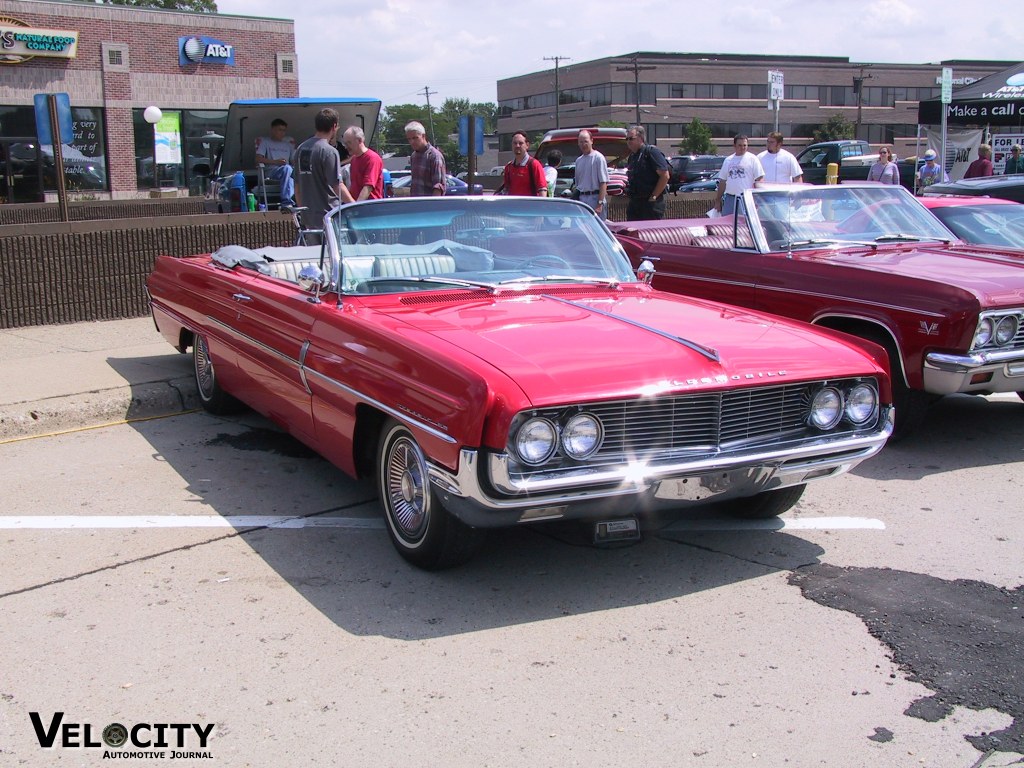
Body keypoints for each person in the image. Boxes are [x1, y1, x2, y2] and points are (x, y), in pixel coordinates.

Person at [292, 108, 353, 231]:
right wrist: (354, 205)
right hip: (329, 217)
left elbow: (297, 186)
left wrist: (303, 212)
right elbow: (337, 185)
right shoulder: (329, 151)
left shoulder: (300, 149)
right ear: (334, 126)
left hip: (308, 218)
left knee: (314, 250)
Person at [624, 124, 670, 220]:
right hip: (635, 203)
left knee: (650, 234)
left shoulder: (652, 152)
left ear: (640, 139)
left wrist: (653, 196)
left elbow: (665, 176)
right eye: (627, 139)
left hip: (651, 204)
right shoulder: (632, 157)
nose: (628, 142)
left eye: (631, 138)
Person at [715, 134, 765, 215]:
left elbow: (760, 179)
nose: (742, 148)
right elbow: (723, 182)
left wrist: (757, 199)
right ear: (734, 145)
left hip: (745, 199)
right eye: (740, 145)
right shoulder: (728, 160)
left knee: (743, 225)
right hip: (729, 198)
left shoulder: (753, 159)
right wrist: (717, 201)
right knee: (727, 225)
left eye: (744, 145)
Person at [255, 118, 296, 206]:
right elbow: (258, 159)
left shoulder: (288, 145)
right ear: (273, 130)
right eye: (279, 130)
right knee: (287, 169)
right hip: (272, 172)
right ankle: (287, 201)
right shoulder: (265, 142)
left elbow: (293, 161)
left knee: (292, 170)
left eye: (284, 130)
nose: (282, 133)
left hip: (287, 171)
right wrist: (275, 162)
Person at [342, 125, 384, 200]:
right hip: (358, 207)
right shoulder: (354, 160)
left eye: (349, 143)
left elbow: (368, 187)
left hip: (370, 207)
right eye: (345, 143)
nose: (346, 146)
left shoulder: (372, 158)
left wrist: (357, 207)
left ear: (360, 140)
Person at [574, 129, 609, 219]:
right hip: (582, 199)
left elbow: (603, 182)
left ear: (592, 141)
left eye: (585, 141)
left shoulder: (598, 158)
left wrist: (600, 203)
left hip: (595, 198)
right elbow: (578, 185)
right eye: (581, 142)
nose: (583, 144)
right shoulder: (578, 161)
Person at [405, 121, 447, 196]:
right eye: (409, 139)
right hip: (415, 204)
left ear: (423, 136)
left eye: (415, 138)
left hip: (428, 204)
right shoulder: (413, 156)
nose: (412, 142)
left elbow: (438, 186)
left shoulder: (434, 156)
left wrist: (433, 205)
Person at [502, 131, 547, 196]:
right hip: (513, 205)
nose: (517, 146)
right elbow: (506, 190)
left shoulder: (534, 165)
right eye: (515, 143)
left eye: (520, 143)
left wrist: (542, 206)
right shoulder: (508, 167)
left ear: (527, 145)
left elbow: (542, 189)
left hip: (530, 205)